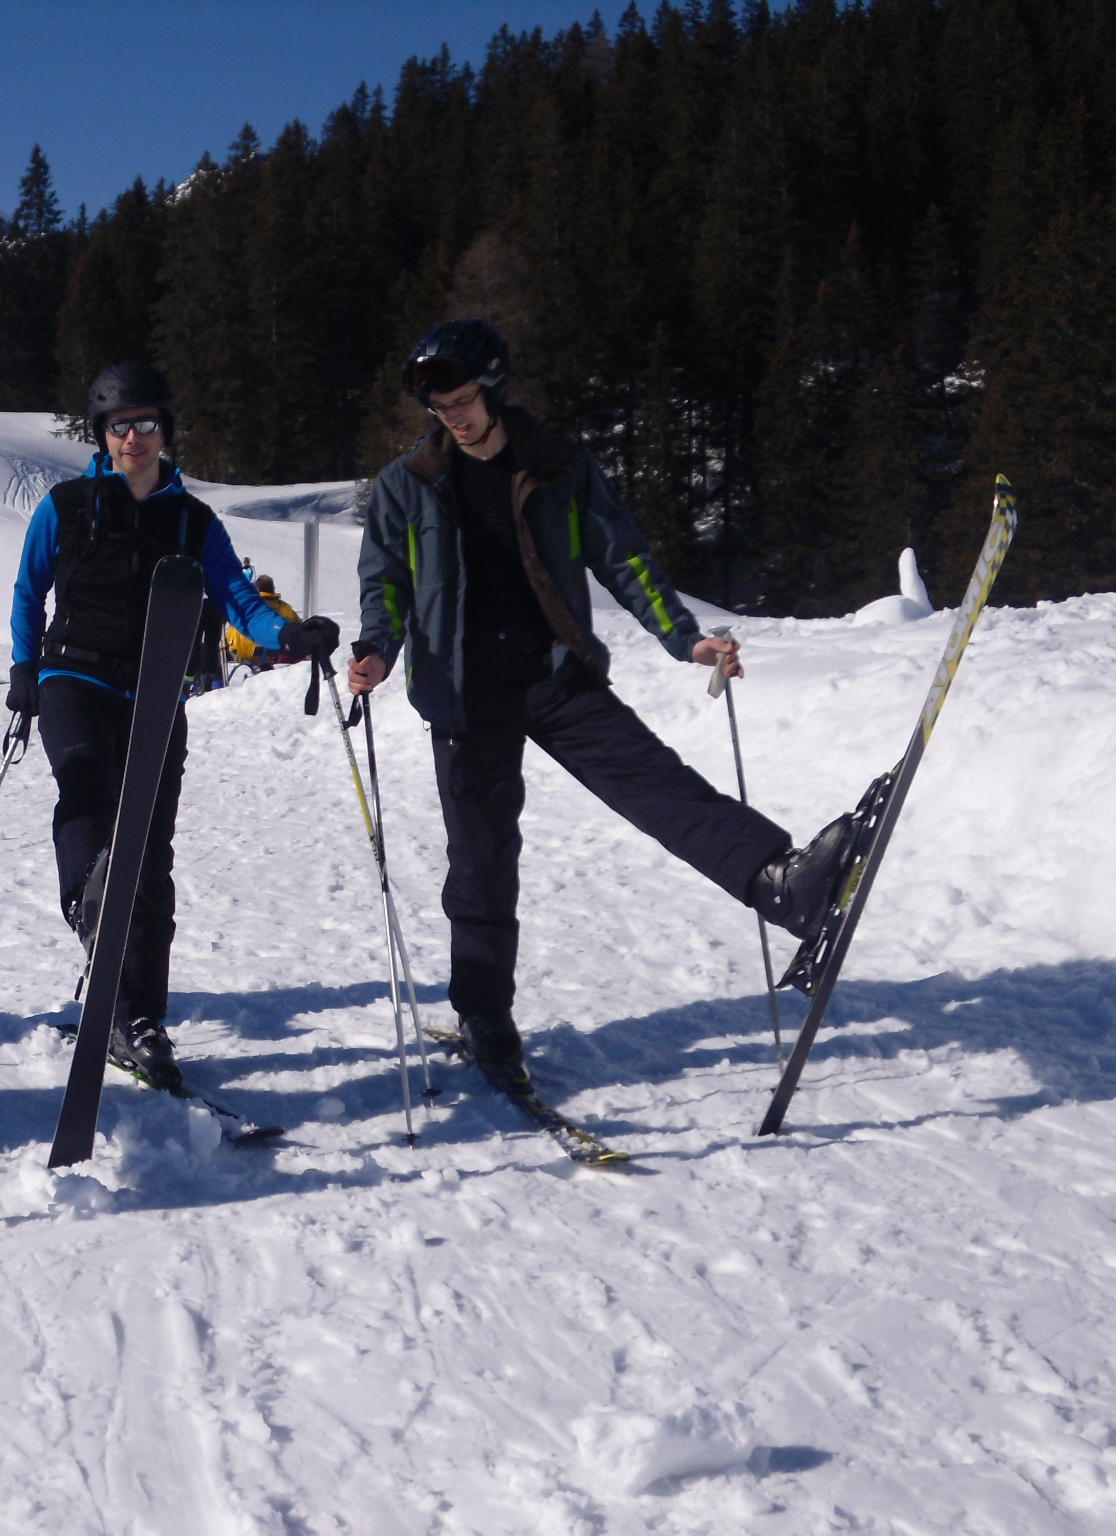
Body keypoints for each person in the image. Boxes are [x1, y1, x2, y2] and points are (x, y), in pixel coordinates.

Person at [348, 320, 853, 1088]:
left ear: (493, 388)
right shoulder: (405, 484)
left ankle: (778, 884)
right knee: (481, 860)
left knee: (657, 784)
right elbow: (384, 581)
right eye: (440, 408)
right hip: (465, 695)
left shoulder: (559, 468)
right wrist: (378, 650)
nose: (452, 416)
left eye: (462, 401)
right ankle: (484, 1013)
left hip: (555, 675)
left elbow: (624, 558)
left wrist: (684, 638)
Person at [7, 362, 340, 1089]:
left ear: (164, 430)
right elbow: (29, 590)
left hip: (156, 696)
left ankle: (138, 1019)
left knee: (150, 858)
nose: (133, 438)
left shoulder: (193, 521)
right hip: (73, 679)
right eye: (119, 426)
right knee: (85, 787)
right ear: (102, 434)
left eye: (146, 424)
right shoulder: (64, 507)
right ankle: (90, 902)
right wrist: (23, 667)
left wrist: (289, 634)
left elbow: (239, 600)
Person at [225, 573, 301, 672]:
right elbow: (298, 627)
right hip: (274, 654)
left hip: (240, 654)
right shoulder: (285, 608)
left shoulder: (245, 606)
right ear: (273, 589)